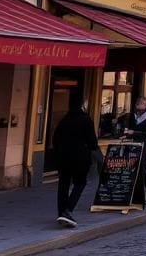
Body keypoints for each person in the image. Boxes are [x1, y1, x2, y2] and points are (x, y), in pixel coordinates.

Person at [52, 93, 100, 227]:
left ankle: (61, 211)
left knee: (63, 184)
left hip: (63, 157)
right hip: (80, 158)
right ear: (82, 105)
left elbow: (55, 139)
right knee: (80, 183)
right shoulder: (85, 119)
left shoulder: (64, 120)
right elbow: (93, 142)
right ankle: (67, 210)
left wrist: (58, 153)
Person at [124, 95, 146, 206]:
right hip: (133, 145)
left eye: (140, 105)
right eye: (137, 105)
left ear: (145, 105)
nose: (138, 108)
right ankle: (135, 195)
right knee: (135, 170)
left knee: (141, 170)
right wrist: (126, 135)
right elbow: (129, 128)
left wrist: (133, 133)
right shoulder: (134, 115)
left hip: (144, 146)